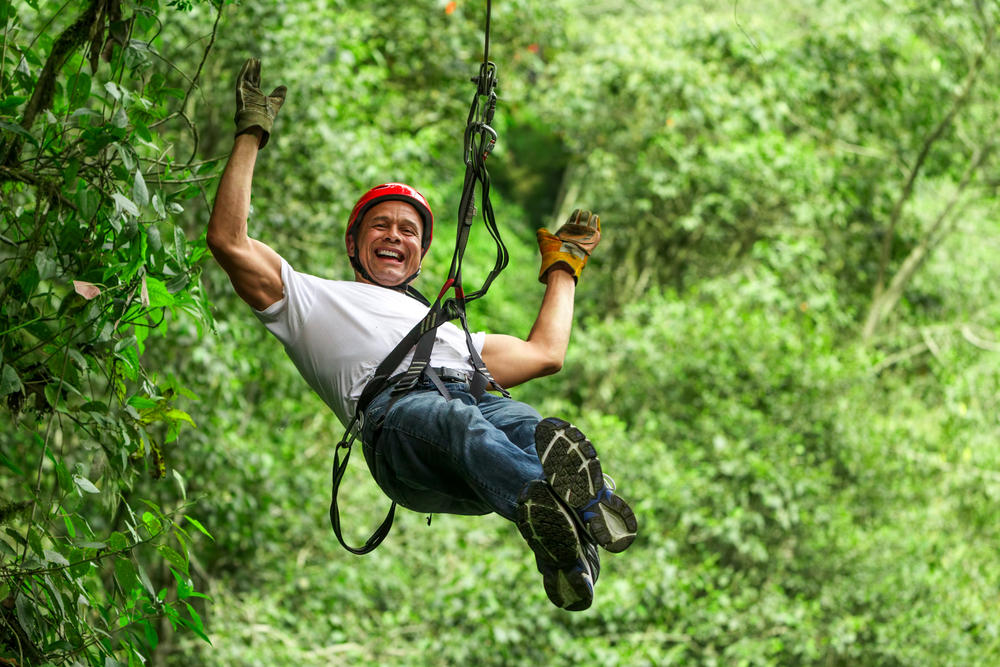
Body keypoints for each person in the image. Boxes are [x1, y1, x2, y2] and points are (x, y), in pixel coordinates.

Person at [207, 58, 637, 611]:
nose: (393, 236)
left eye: (407, 230)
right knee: (456, 421)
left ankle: (569, 542)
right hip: (399, 434)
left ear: (420, 253)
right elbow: (228, 240)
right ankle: (570, 515)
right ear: (353, 241)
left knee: (532, 426)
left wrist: (564, 268)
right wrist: (251, 133)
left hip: (475, 420)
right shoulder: (310, 299)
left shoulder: (449, 335)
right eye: (380, 225)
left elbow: (545, 354)